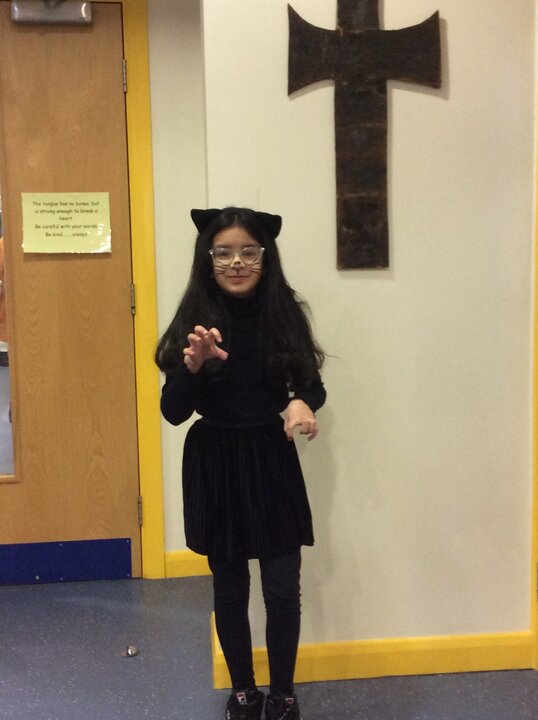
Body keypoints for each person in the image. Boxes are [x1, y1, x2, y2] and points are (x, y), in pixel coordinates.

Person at [156, 207, 326, 720]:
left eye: (248, 251)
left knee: (282, 588)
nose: (236, 262)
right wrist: (192, 367)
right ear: (207, 259)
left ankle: (283, 694)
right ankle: (244, 693)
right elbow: (173, 412)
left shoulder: (284, 312)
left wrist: (302, 403)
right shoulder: (195, 320)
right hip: (217, 462)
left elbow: (310, 383)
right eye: (224, 252)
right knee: (230, 588)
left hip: (271, 457)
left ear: (265, 257)